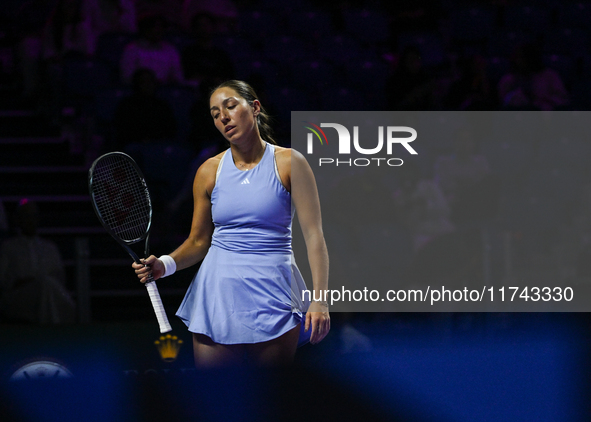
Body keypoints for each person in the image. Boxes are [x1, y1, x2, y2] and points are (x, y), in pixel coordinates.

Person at [133, 80, 330, 367]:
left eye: (230, 106)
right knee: (217, 406)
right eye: (215, 114)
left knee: (273, 405)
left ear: (255, 107)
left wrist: (320, 300)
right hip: (219, 294)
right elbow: (199, 241)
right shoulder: (208, 171)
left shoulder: (290, 163)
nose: (223, 117)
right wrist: (166, 264)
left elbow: (314, 237)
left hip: (274, 293)